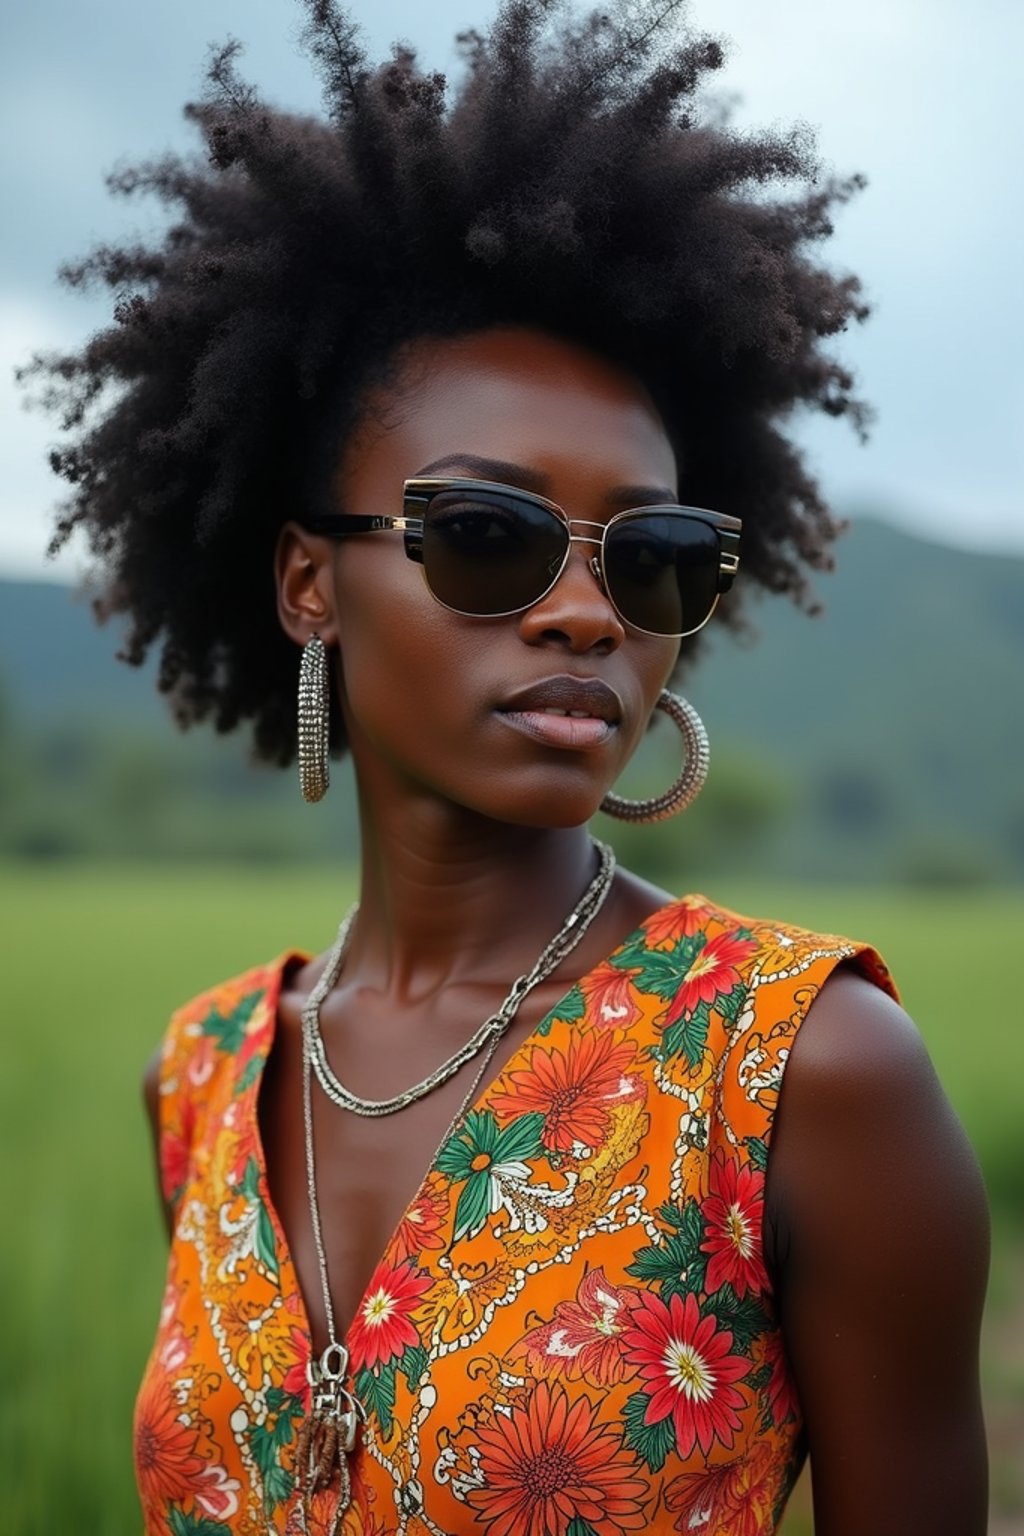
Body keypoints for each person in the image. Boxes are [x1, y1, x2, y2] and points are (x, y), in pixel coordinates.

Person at [28, 2, 989, 1531]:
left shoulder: (803, 1072)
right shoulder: (204, 1076)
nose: (587, 610)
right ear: (306, 584)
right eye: (487, 534)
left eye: (657, 557)